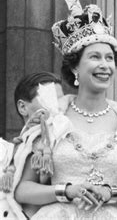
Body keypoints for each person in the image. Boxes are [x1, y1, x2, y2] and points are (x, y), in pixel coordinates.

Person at [11, 0, 117, 220]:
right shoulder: (52, 119)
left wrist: (112, 193)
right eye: (95, 57)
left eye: (109, 58)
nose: (105, 65)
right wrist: (67, 191)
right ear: (74, 67)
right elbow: (23, 190)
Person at [0, 72, 64, 219]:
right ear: (23, 107)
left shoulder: (67, 150)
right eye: (49, 100)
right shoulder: (3, 153)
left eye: (61, 101)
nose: (58, 109)